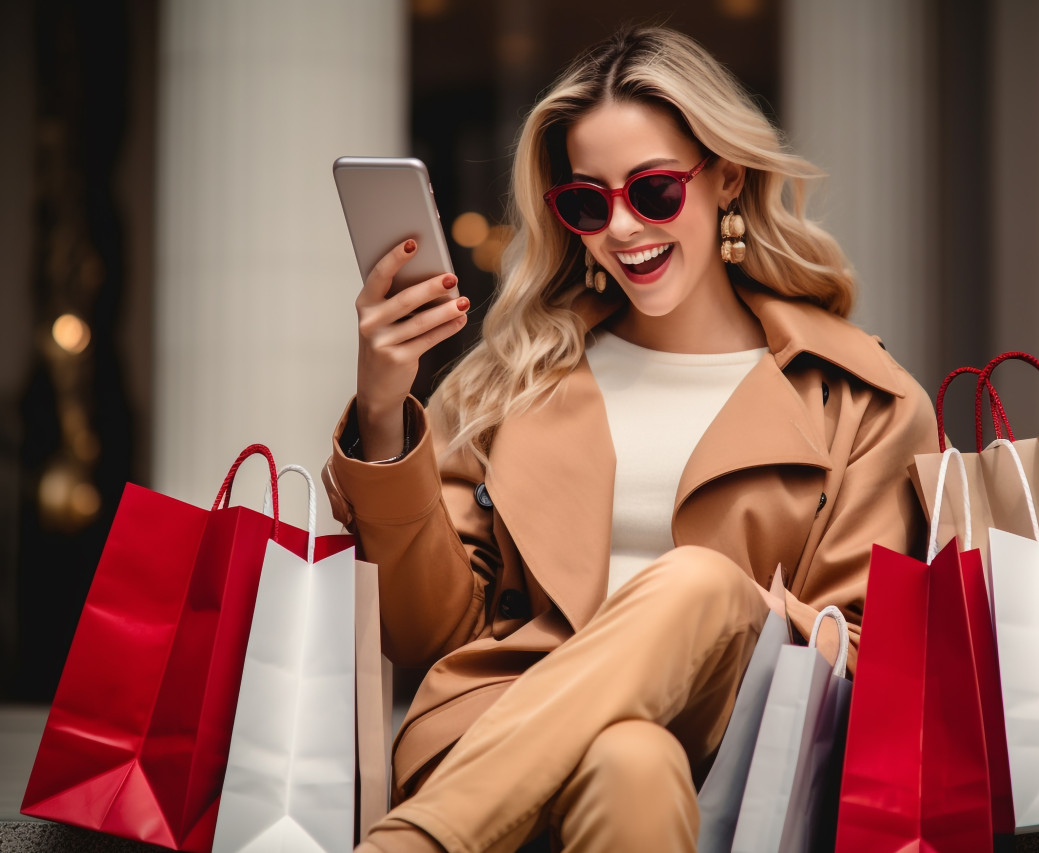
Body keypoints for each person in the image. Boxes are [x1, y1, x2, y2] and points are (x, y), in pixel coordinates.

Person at [323, 24, 937, 853]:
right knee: (631, 758)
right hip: (505, 728)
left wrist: (727, 610)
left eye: (652, 191)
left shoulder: (860, 397)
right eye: (586, 202)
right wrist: (385, 410)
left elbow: (870, 657)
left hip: (745, 749)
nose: (621, 228)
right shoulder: (516, 379)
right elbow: (431, 631)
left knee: (700, 584)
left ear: (726, 178)